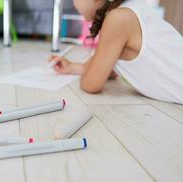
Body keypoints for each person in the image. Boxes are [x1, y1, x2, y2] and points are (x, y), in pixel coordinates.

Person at [49, 0, 183, 104]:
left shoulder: (118, 18)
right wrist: (72, 67)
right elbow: (108, 69)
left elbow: (90, 84)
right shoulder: (127, 10)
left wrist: (89, 76)